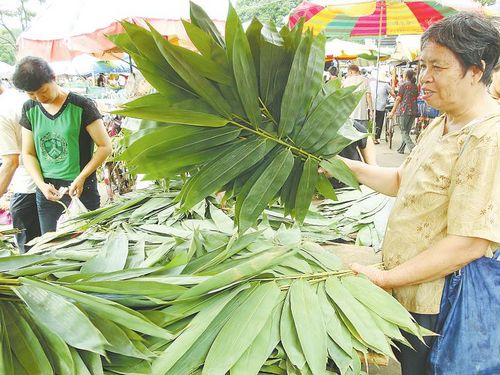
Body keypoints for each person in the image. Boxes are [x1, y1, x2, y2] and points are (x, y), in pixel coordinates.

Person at [329, 13, 500, 374]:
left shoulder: (488, 139)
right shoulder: (442, 123)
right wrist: (345, 167)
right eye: (423, 65)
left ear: (475, 70)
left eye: (437, 67)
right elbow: (400, 182)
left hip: (441, 304)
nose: (424, 77)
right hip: (408, 291)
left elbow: (469, 241)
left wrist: (387, 279)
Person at [12, 56, 112, 234]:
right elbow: (28, 153)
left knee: (85, 244)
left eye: (42, 91)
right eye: (31, 94)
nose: (38, 98)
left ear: (53, 78)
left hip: (81, 189)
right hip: (48, 193)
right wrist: (41, 185)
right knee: (53, 247)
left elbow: (105, 146)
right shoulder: (29, 108)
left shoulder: (82, 106)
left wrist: (82, 177)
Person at [0, 82, 40, 252]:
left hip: (28, 185)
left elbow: (11, 162)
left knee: (28, 246)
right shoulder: (21, 97)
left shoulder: (2, 111)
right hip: (49, 179)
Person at [389, 69, 418, 154]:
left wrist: (392, 111)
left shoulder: (403, 85)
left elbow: (398, 99)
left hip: (404, 110)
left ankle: (412, 148)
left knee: (403, 131)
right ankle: (401, 149)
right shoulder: (415, 86)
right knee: (406, 131)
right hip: (413, 111)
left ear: (406, 76)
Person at [342, 64, 374, 129]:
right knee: (363, 135)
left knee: (352, 136)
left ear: (350, 72)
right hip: (362, 114)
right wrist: (371, 110)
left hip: (350, 114)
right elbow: (368, 96)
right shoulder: (365, 80)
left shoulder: (346, 81)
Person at [370, 71, 395, 144]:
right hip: (381, 106)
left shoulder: (371, 84)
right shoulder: (385, 85)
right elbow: (392, 94)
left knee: (372, 121)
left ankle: (371, 136)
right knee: (379, 122)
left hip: (372, 106)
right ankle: (377, 137)